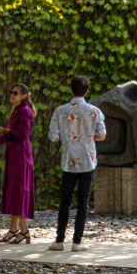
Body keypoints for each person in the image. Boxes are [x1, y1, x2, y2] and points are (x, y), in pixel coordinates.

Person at [48, 75, 106, 251]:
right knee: (83, 202)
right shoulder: (94, 111)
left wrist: (68, 139)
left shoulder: (60, 111)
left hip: (68, 161)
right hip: (88, 161)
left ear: (71, 90)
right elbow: (102, 135)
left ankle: (59, 241)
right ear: (87, 91)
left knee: (64, 202)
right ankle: (77, 242)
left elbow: (53, 137)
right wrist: (87, 138)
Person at [0, 83, 37, 244]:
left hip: (21, 155)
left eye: (16, 93)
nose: (12, 95)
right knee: (16, 191)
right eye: (11, 92)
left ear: (24, 96)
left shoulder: (24, 111)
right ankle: (17, 230)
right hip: (15, 154)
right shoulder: (18, 110)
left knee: (19, 191)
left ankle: (21, 231)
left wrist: (3, 130)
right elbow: (12, 135)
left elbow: (22, 135)